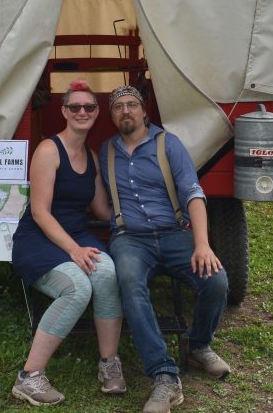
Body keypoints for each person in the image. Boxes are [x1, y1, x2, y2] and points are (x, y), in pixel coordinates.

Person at [99, 86, 231, 413]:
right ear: (112, 116)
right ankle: (164, 375)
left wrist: (202, 244)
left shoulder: (167, 144)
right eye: (118, 107)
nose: (125, 111)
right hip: (130, 237)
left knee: (216, 281)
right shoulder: (106, 151)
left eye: (132, 105)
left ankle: (199, 346)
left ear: (145, 112)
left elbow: (193, 193)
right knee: (129, 282)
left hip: (174, 233)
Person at [10, 80, 126, 405]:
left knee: (107, 275)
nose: (82, 112)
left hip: (77, 236)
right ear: (63, 111)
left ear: (96, 112)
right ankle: (29, 377)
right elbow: (40, 212)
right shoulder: (49, 150)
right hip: (39, 239)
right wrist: (73, 250)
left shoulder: (91, 156)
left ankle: (109, 363)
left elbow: (103, 210)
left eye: (88, 107)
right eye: (74, 106)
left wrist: (144, 215)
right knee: (77, 287)